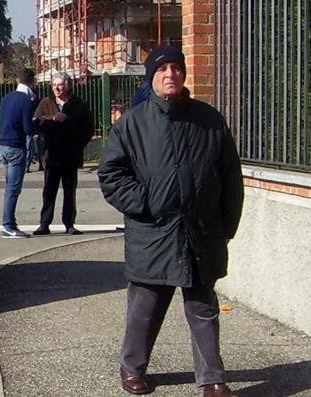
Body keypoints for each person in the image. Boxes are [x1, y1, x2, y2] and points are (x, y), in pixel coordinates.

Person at [97, 46, 244, 397]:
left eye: (176, 68)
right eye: (162, 70)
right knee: (146, 306)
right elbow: (111, 174)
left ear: (184, 74)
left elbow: (230, 178)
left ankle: (212, 379)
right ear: (152, 77)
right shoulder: (133, 124)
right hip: (153, 233)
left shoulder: (210, 121)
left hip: (200, 232)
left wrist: (226, 227)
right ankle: (132, 366)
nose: (170, 75)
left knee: (203, 308)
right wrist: (146, 201)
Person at [31, 72, 93, 235]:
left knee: (69, 191)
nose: (57, 88)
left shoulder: (78, 104)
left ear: (68, 85)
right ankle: (44, 223)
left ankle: (69, 223)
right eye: (54, 85)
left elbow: (88, 129)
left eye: (60, 85)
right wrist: (53, 118)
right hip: (51, 155)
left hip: (70, 155)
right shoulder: (45, 103)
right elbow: (36, 122)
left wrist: (78, 145)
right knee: (49, 191)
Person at [0, 69, 36, 238]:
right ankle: (8, 225)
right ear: (32, 82)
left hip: (2, 145)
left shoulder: (6, 98)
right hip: (16, 147)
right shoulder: (26, 100)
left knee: (8, 188)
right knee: (13, 189)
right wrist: (39, 122)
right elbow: (28, 128)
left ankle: (9, 222)